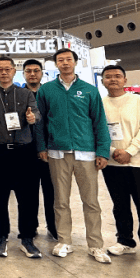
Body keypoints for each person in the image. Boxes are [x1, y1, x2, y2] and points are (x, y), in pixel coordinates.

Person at [35, 48, 111, 263]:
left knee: (91, 201)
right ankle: (64, 240)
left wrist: (102, 151)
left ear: (75, 62)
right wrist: (42, 147)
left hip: (86, 152)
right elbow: (40, 122)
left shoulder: (89, 90)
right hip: (57, 153)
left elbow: (99, 122)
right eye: (60, 60)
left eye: (69, 59)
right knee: (60, 200)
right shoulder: (46, 90)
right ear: (56, 64)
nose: (65, 63)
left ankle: (95, 245)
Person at [99, 65, 140, 267]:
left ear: (125, 80)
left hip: (138, 164)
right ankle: (125, 241)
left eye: (117, 76)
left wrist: (130, 151)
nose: (113, 79)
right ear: (102, 81)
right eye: (108, 77)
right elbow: (96, 131)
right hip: (112, 164)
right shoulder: (100, 104)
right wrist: (112, 152)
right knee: (120, 206)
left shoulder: (139, 101)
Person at [0, 57, 40, 258]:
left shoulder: (26, 94)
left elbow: (36, 114)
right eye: (0, 69)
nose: (4, 72)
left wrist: (32, 118)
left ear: (14, 71)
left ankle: (27, 238)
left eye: (8, 69)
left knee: (28, 197)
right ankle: (0, 236)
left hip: (24, 152)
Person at [21, 58, 57, 241]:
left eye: (36, 70)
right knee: (28, 193)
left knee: (52, 191)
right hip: (26, 151)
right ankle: (30, 227)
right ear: (23, 74)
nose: (32, 74)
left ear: (42, 73)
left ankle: (53, 226)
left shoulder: (50, 93)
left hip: (50, 150)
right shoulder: (18, 95)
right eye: (28, 71)